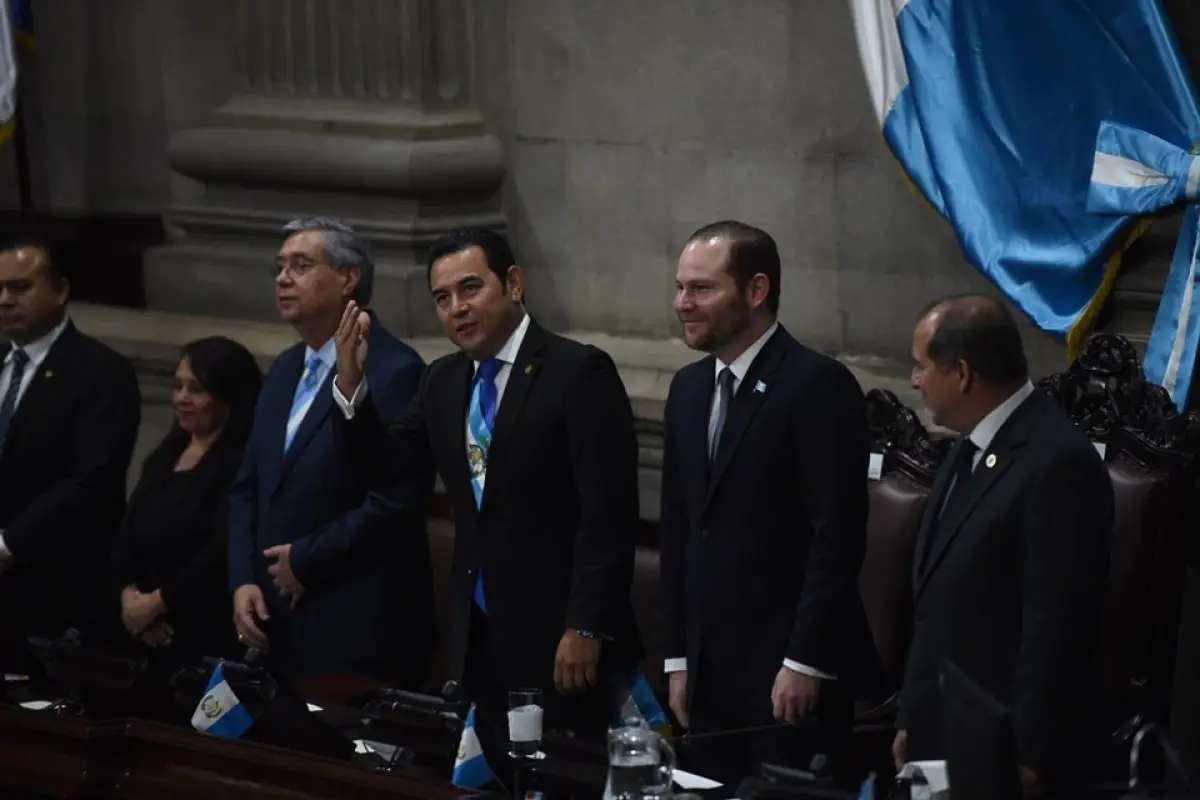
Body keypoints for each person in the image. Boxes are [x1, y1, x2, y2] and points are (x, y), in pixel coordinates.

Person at [331, 228, 643, 783]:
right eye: (443, 297)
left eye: (470, 288)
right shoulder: (443, 380)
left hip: (560, 640)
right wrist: (352, 388)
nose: (457, 308)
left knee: (560, 782)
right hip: (477, 635)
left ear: (514, 284)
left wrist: (587, 626)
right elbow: (387, 466)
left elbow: (608, 515)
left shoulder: (577, 372)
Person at [658, 221, 881, 783]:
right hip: (708, 677)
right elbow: (680, 532)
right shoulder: (687, 390)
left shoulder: (816, 386)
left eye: (701, 289)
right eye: (680, 287)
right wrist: (679, 660)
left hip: (788, 678)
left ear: (756, 291)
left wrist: (805, 661)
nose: (683, 303)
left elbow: (838, 536)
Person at [895, 294, 1113, 797]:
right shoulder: (970, 444)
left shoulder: (1057, 464)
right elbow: (936, 603)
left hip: (1000, 750)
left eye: (921, 365)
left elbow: (1055, 626)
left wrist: (1027, 753)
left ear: (963, 374)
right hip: (941, 732)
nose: (913, 380)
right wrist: (913, 715)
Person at [228, 217, 435, 685]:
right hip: (271, 620)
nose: (283, 278)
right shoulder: (284, 368)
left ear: (348, 278)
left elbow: (395, 499)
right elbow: (247, 489)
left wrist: (307, 558)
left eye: (301, 265)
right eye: (279, 267)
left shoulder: (397, 370)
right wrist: (242, 579)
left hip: (353, 620)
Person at [0, 240, 141, 672]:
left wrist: (9, 544)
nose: (4, 299)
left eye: (19, 287)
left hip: (56, 587)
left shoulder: (101, 372)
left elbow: (91, 479)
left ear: (61, 291)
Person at [111, 336, 263, 708]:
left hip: (202, 634)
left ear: (229, 396)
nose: (181, 398)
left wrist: (158, 603)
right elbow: (128, 529)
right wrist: (130, 598)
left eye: (196, 389)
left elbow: (221, 548)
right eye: (178, 386)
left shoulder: (242, 462)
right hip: (141, 632)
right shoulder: (168, 452)